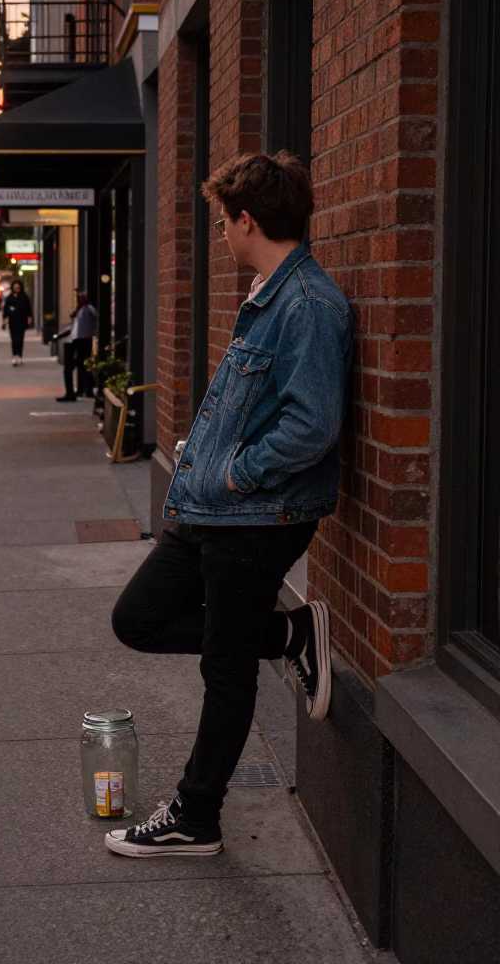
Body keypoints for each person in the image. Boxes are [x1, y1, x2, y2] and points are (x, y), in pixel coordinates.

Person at [106, 151, 352, 859]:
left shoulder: (307, 305)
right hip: (212, 509)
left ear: (248, 220)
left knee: (225, 666)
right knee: (138, 618)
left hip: (256, 515)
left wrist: (240, 474)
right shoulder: (270, 293)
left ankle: (196, 815)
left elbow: (312, 425)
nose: (221, 233)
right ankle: (287, 636)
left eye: (223, 222)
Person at [56, 291, 98, 402]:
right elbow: (74, 327)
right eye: (79, 297)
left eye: (82, 296)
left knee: (79, 366)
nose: (80, 299)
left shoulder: (89, 309)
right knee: (80, 366)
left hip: (83, 340)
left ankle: (81, 391)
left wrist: (94, 332)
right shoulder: (79, 310)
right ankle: (80, 390)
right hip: (76, 340)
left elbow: (96, 318)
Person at [2, 279, 33, 366]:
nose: (17, 289)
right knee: (14, 339)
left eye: (18, 287)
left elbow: (28, 309)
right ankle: (14, 355)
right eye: (15, 287)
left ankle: (19, 355)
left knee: (20, 339)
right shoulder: (9, 298)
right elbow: (5, 310)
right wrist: (4, 320)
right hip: (13, 322)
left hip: (22, 321)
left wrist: (29, 318)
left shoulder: (24, 297)